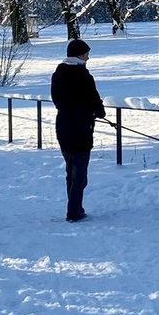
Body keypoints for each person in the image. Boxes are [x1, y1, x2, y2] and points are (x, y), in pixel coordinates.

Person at [50, 38, 106, 222]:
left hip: (64, 126)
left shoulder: (57, 74)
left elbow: (57, 100)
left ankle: (74, 208)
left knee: (71, 171)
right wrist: (98, 111)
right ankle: (74, 211)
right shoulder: (84, 77)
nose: (88, 58)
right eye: (87, 54)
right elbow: (94, 101)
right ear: (80, 55)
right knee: (80, 174)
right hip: (81, 128)